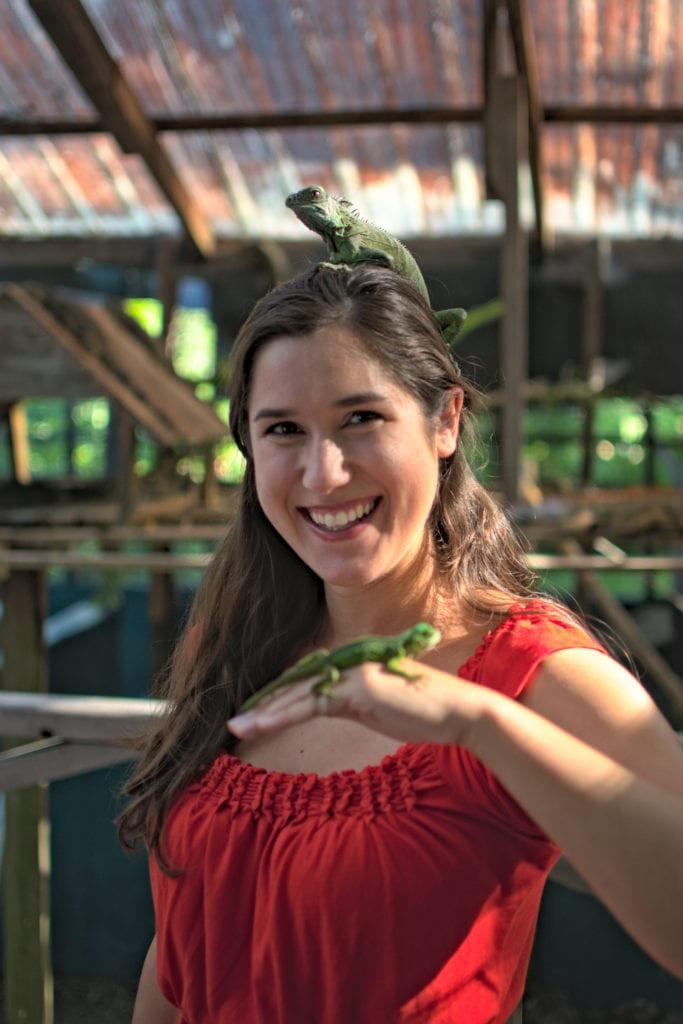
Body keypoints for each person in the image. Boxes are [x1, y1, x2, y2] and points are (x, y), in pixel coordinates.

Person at [119, 264, 683, 1024]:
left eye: (361, 419)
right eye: (283, 429)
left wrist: (480, 726)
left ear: (444, 421)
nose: (323, 472)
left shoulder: (531, 669)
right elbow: (185, 938)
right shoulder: (236, 643)